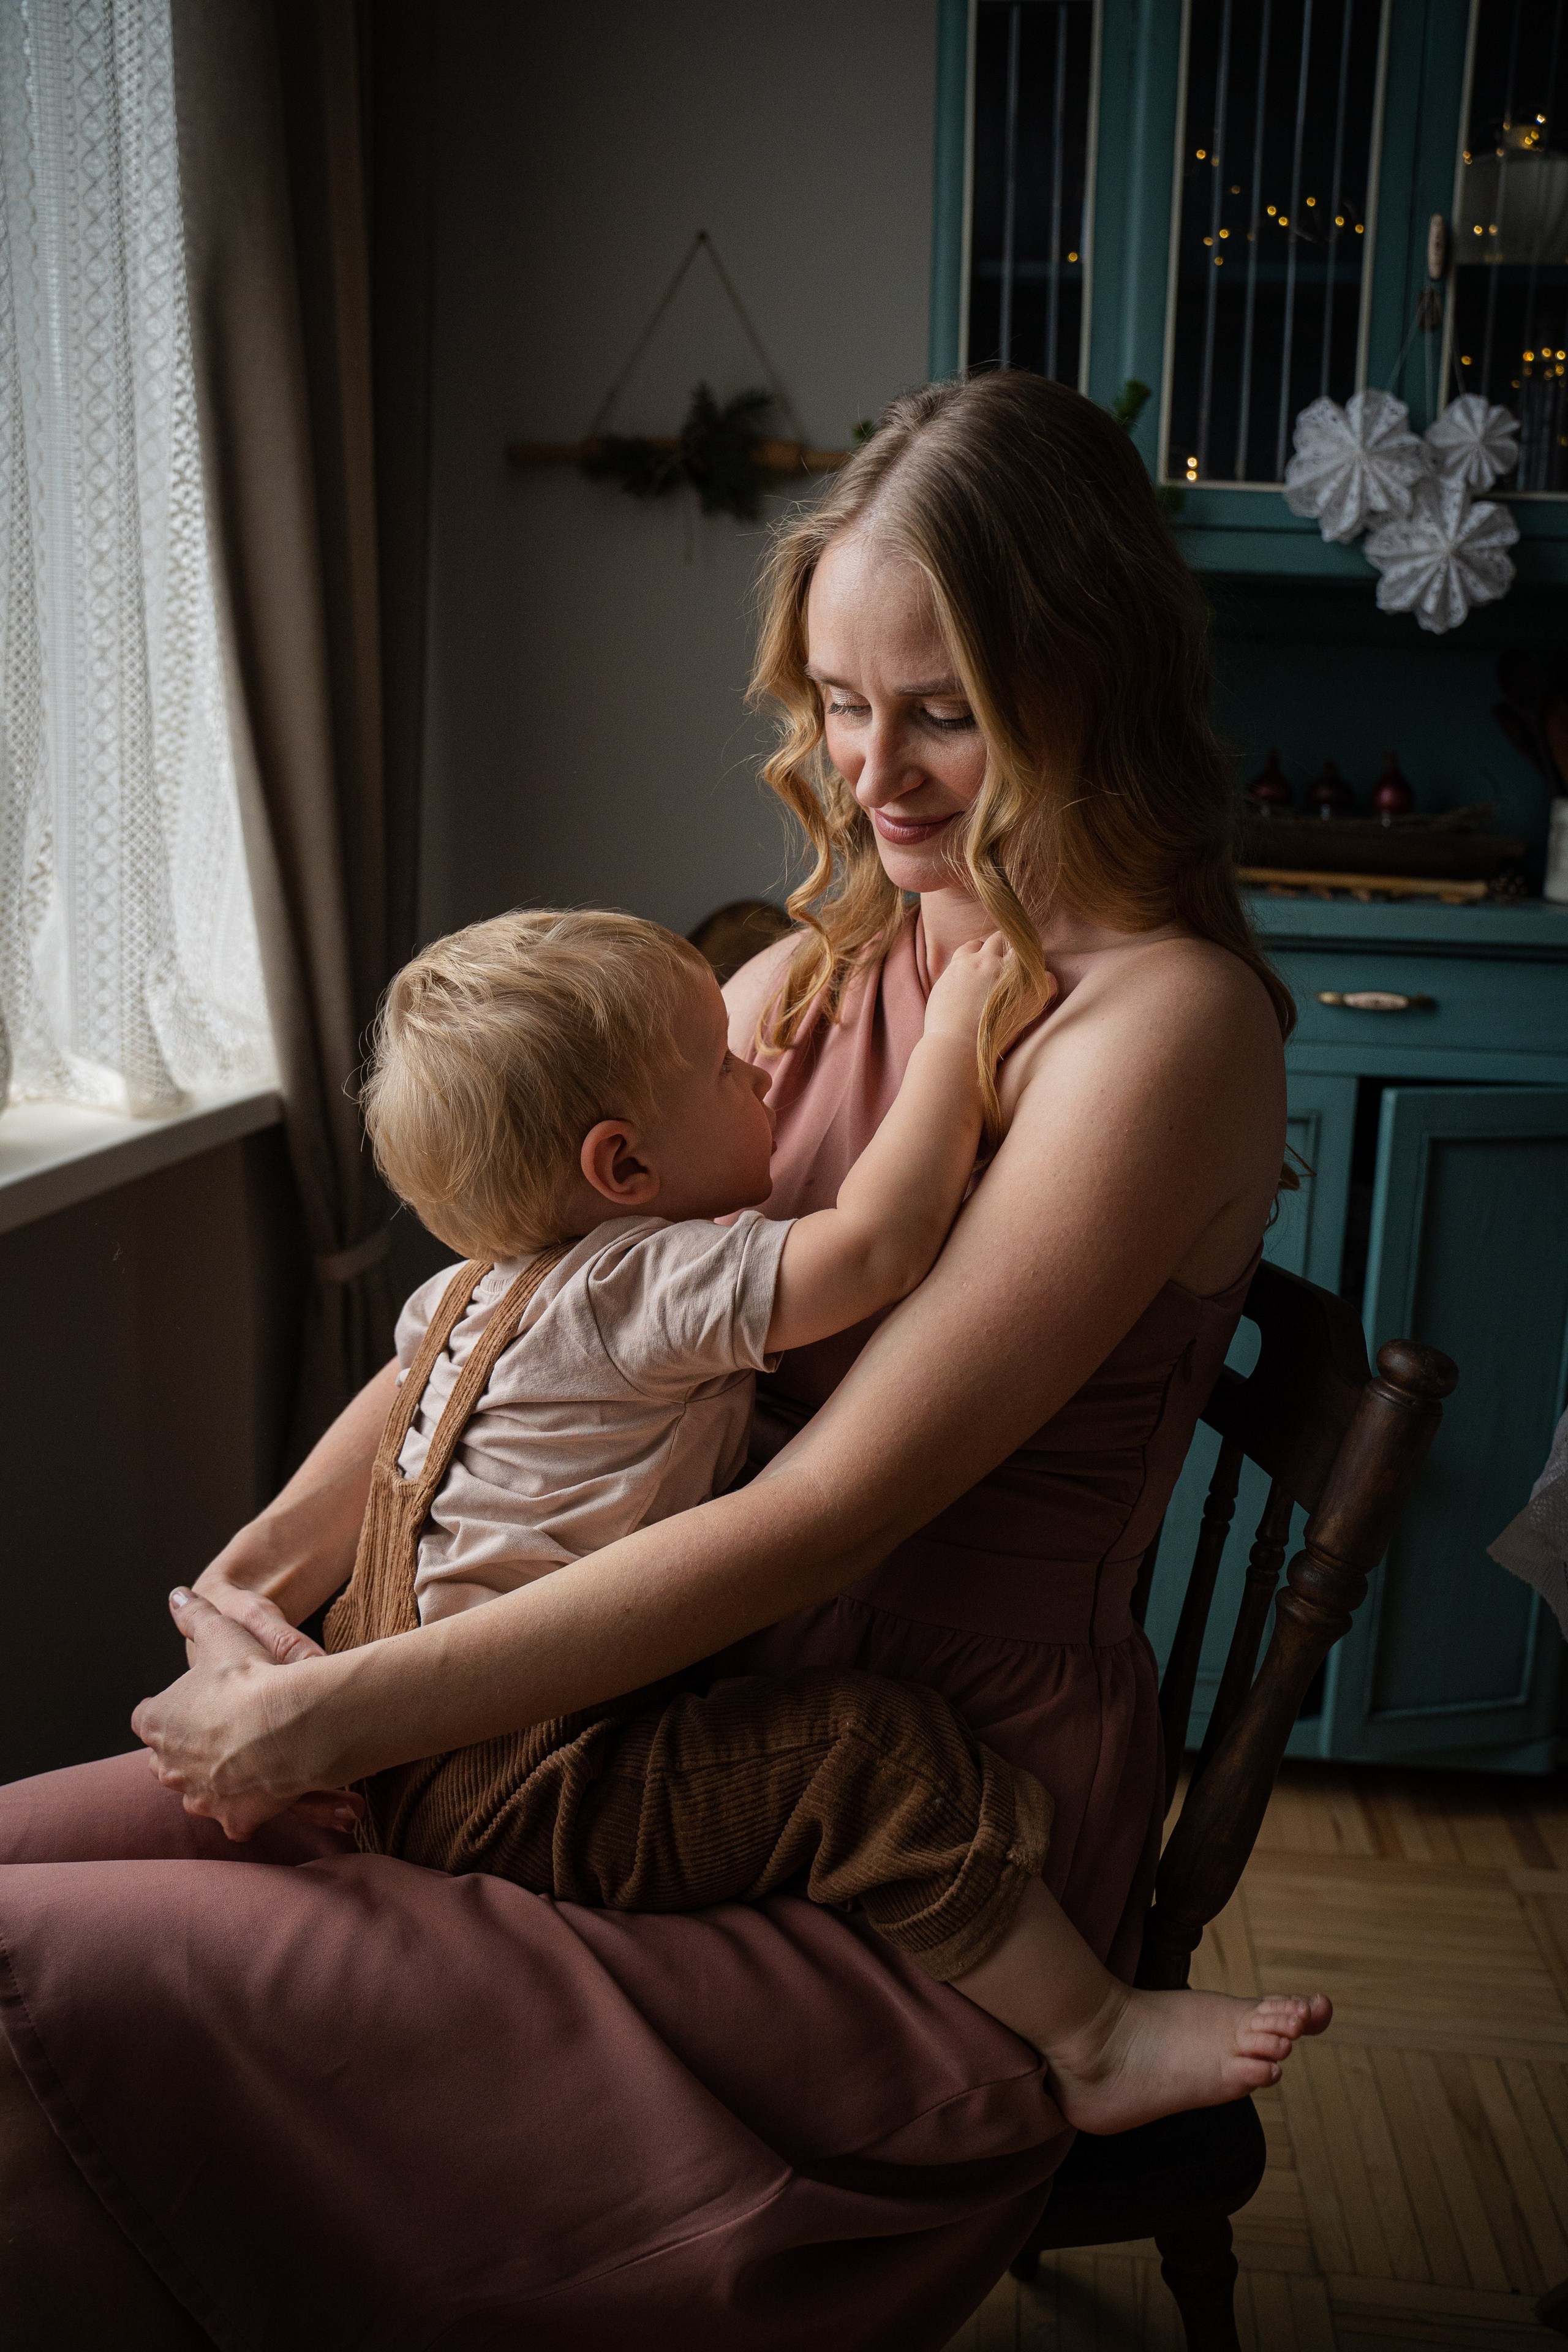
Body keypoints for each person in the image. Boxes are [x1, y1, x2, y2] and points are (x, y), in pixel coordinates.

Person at [0, 372, 1300, 2352]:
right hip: (619, 1700)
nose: (876, 780)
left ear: (1094, 673)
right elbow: (526, 1298)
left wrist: (344, 1727)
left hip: (909, 1833)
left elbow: (826, 1512)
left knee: (48, 1982)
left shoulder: (1163, 1033)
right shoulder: (814, 966)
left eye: (942, 711)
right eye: (846, 708)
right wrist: (254, 1589)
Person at [312, 901, 1327, 2105]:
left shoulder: (458, 1302)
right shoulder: (655, 1277)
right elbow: (878, 1245)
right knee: (867, 1760)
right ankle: (1093, 2038)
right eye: (723, 1071)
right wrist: (953, 1035)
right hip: (540, 1769)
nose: (759, 1072)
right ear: (624, 1167)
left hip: (415, 1718)